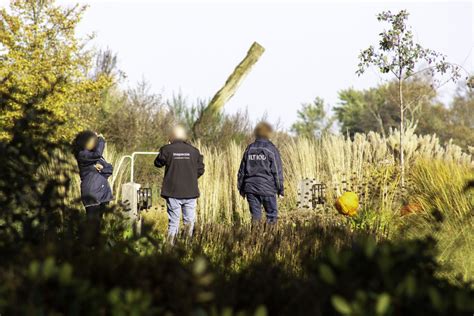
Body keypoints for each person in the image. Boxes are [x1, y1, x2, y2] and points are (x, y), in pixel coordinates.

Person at [154, 125, 205, 241]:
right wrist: (190, 178)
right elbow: (201, 170)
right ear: (185, 137)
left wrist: (167, 146)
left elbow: (157, 163)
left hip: (172, 192)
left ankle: (170, 249)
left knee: (173, 223)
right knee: (189, 223)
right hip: (190, 192)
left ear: (172, 136)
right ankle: (186, 249)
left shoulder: (166, 149)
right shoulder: (194, 151)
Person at [237, 122, 284, 223]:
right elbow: (277, 171)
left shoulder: (249, 149)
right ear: (268, 133)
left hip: (250, 188)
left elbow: (242, 171)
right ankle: (270, 238)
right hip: (267, 188)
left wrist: (241, 188)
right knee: (271, 216)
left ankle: (255, 237)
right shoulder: (271, 149)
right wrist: (280, 189)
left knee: (255, 217)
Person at [73, 130, 113, 236]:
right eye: (92, 140)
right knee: (92, 224)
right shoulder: (82, 155)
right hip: (92, 193)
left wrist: (102, 168)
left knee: (98, 225)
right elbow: (98, 153)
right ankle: (83, 245)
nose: (94, 142)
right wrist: (101, 139)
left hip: (103, 194)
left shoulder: (95, 156)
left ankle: (94, 248)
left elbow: (110, 169)